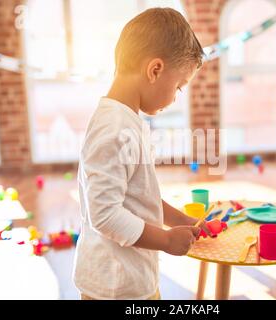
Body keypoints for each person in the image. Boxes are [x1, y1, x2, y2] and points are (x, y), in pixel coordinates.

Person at [73, 7, 210, 300]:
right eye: (179, 87)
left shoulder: (127, 120)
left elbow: (139, 196)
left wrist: (184, 222)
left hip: (133, 279)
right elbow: (105, 214)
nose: (175, 97)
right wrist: (165, 240)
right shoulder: (112, 128)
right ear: (155, 69)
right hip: (112, 288)